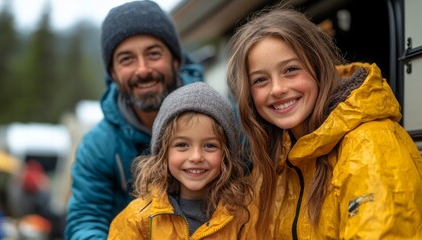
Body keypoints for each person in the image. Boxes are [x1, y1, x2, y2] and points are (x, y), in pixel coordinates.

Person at [226, 6, 422, 239]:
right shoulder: (276, 156)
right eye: (260, 80)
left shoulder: (371, 144)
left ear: (319, 67)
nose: (277, 89)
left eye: (290, 70)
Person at [65, 1, 204, 239]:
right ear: (113, 73)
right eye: (127, 59)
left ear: (176, 60)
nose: (142, 69)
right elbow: (86, 220)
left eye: (153, 54)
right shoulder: (99, 146)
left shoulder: (223, 120)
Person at [107, 82, 252, 239]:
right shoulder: (138, 219)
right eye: (182, 145)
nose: (196, 157)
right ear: (164, 152)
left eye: (210, 146)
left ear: (227, 154)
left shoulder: (244, 216)